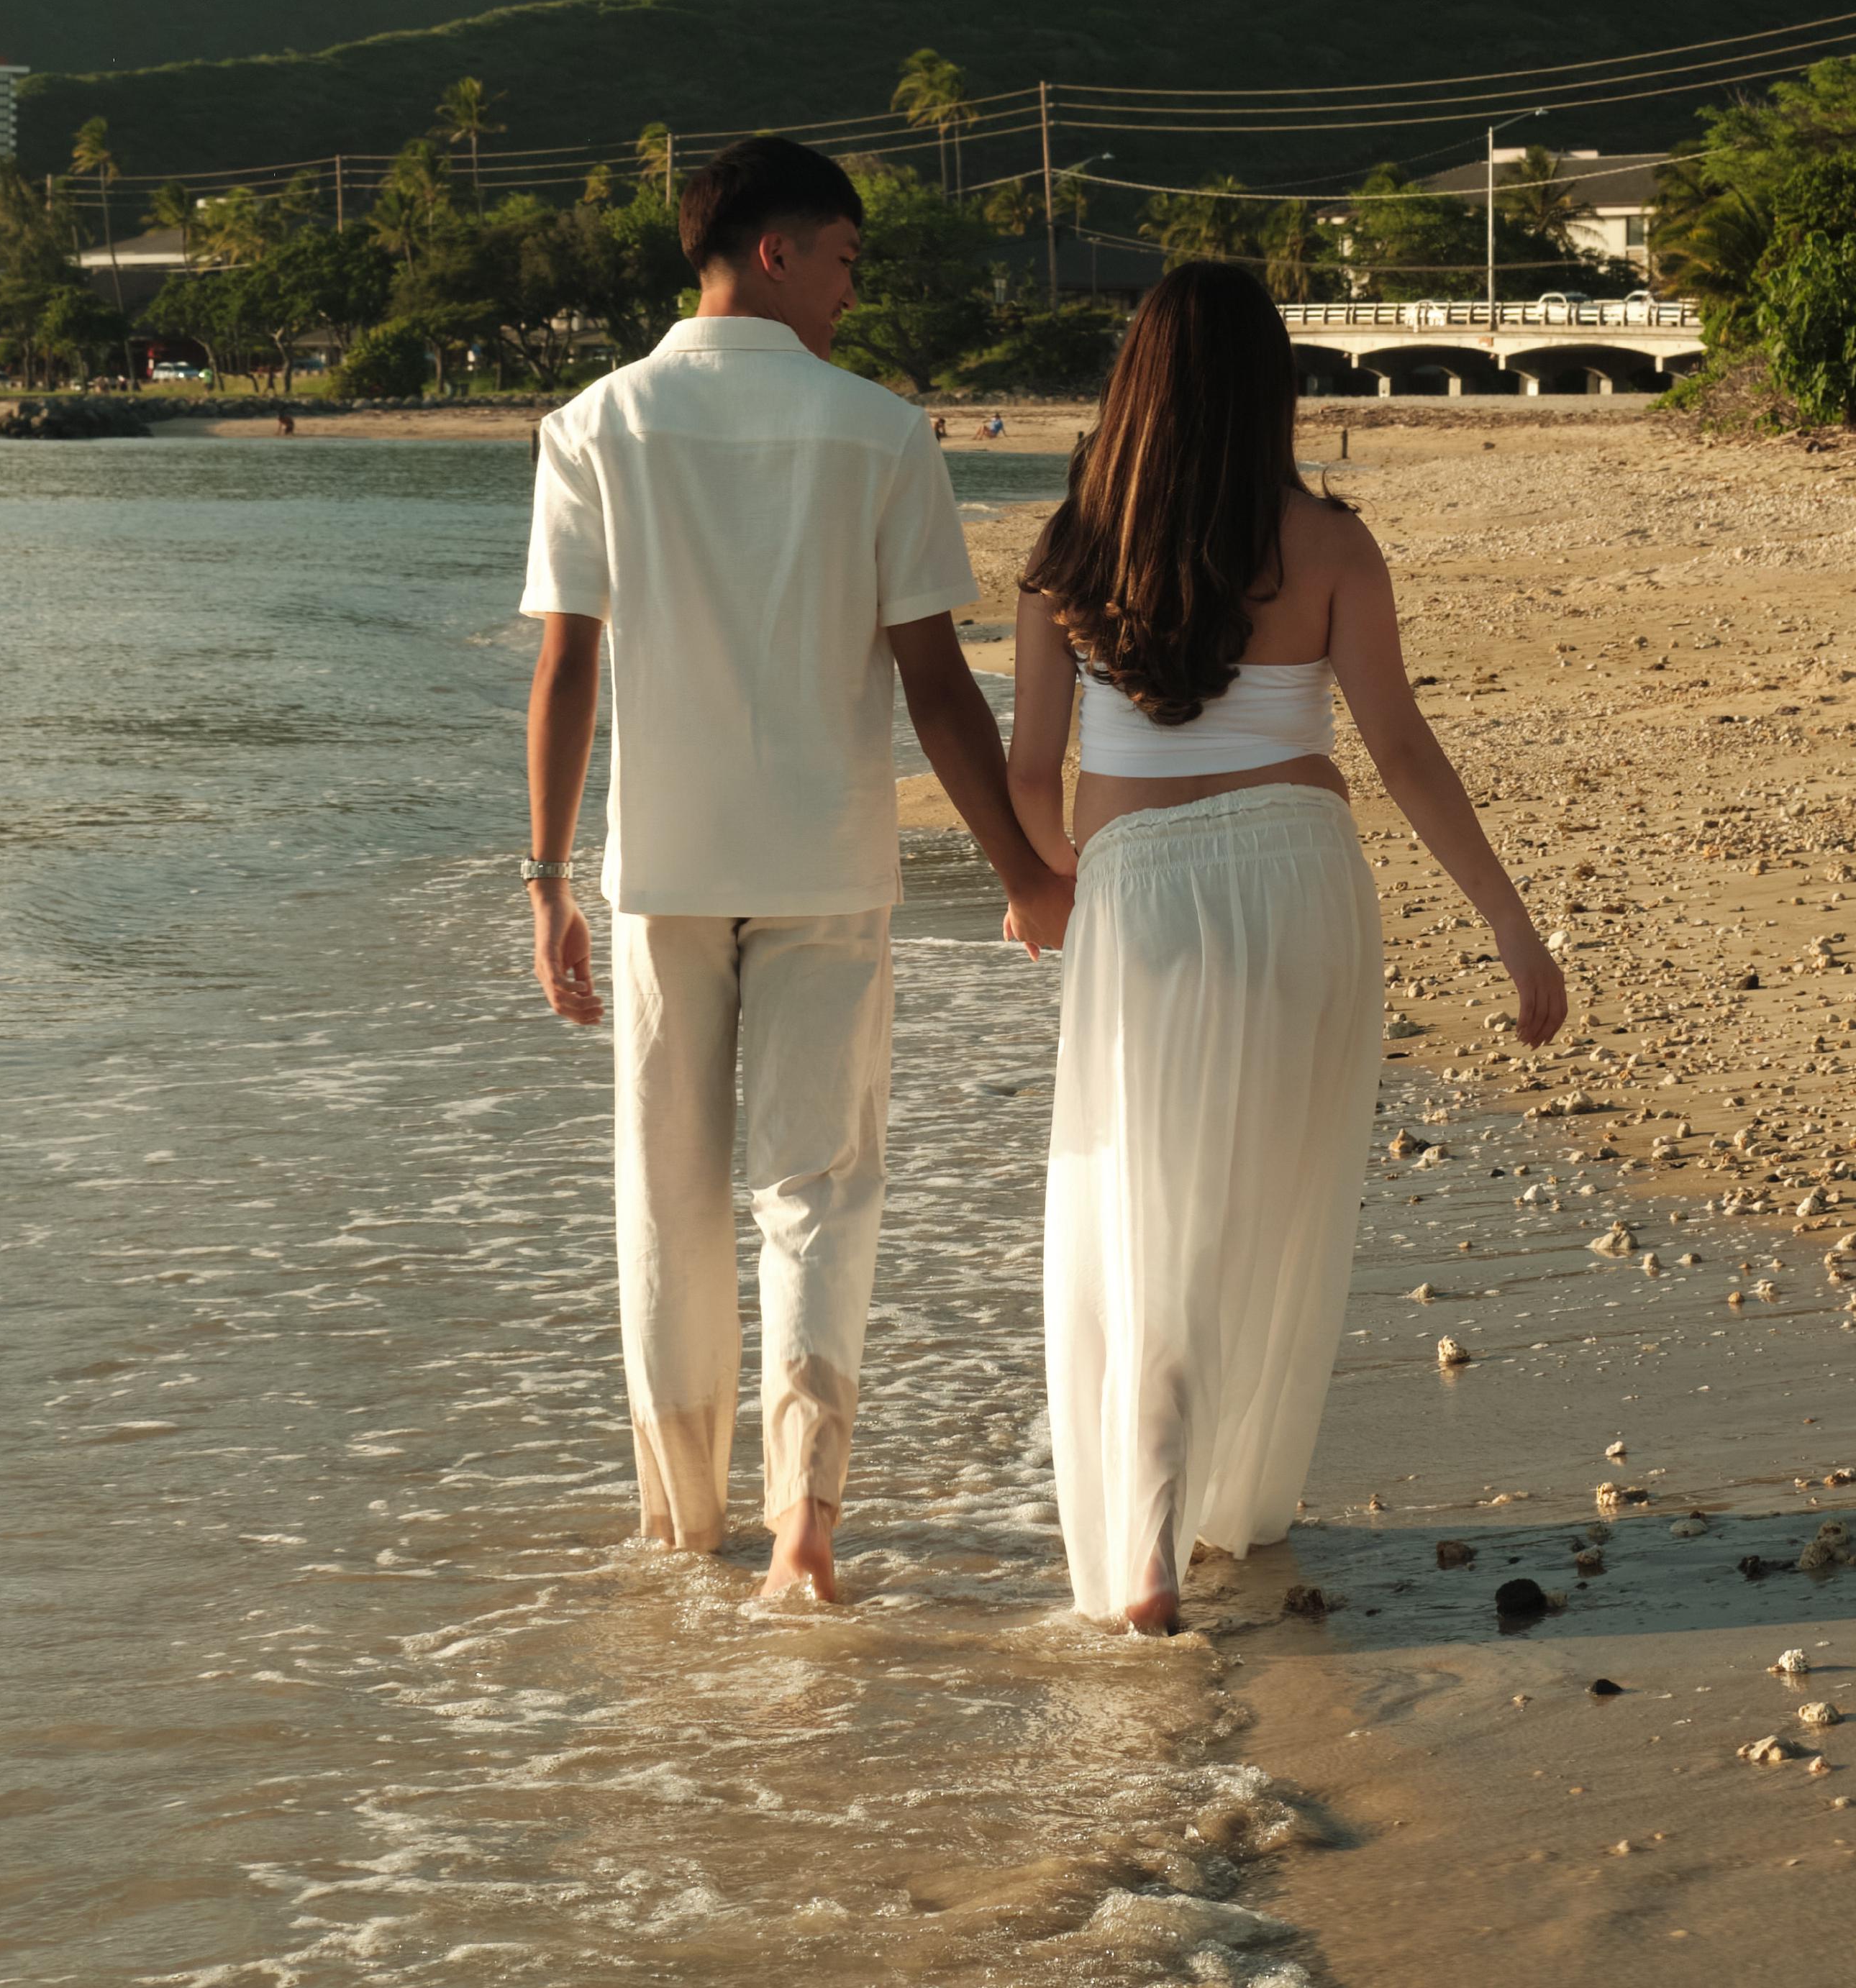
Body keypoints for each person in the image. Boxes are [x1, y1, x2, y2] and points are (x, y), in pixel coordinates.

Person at [519, 133, 1068, 1602]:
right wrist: (1021, 865)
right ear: (773, 250)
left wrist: (546, 878)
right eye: (841, 259)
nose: (848, 288)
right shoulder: (880, 433)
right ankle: (805, 1533)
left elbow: (568, 666)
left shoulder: (593, 427)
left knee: (667, 1194)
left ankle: (682, 1524)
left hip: (662, 868)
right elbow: (939, 685)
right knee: (818, 1187)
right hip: (829, 856)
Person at [1005, 261, 1565, 1631]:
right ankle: (1223, 1512)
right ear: (1274, 389)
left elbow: (1028, 769)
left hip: (1140, 891)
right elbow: (1402, 748)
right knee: (1268, 1207)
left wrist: (1049, 883)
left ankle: (1143, 1550)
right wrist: (1509, 923)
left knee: (1147, 1217)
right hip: (1302, 881)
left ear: (1129, 384)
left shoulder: (1067, 550)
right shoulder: (1327, 544)